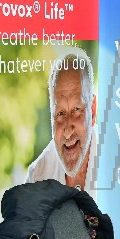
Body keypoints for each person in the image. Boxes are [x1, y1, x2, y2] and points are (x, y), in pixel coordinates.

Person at [25, 47, 97, 195]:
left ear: (93, 110)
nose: (68, 131)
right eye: (60, 113)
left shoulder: (118, 166)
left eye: (76, 109)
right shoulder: (38, 177)